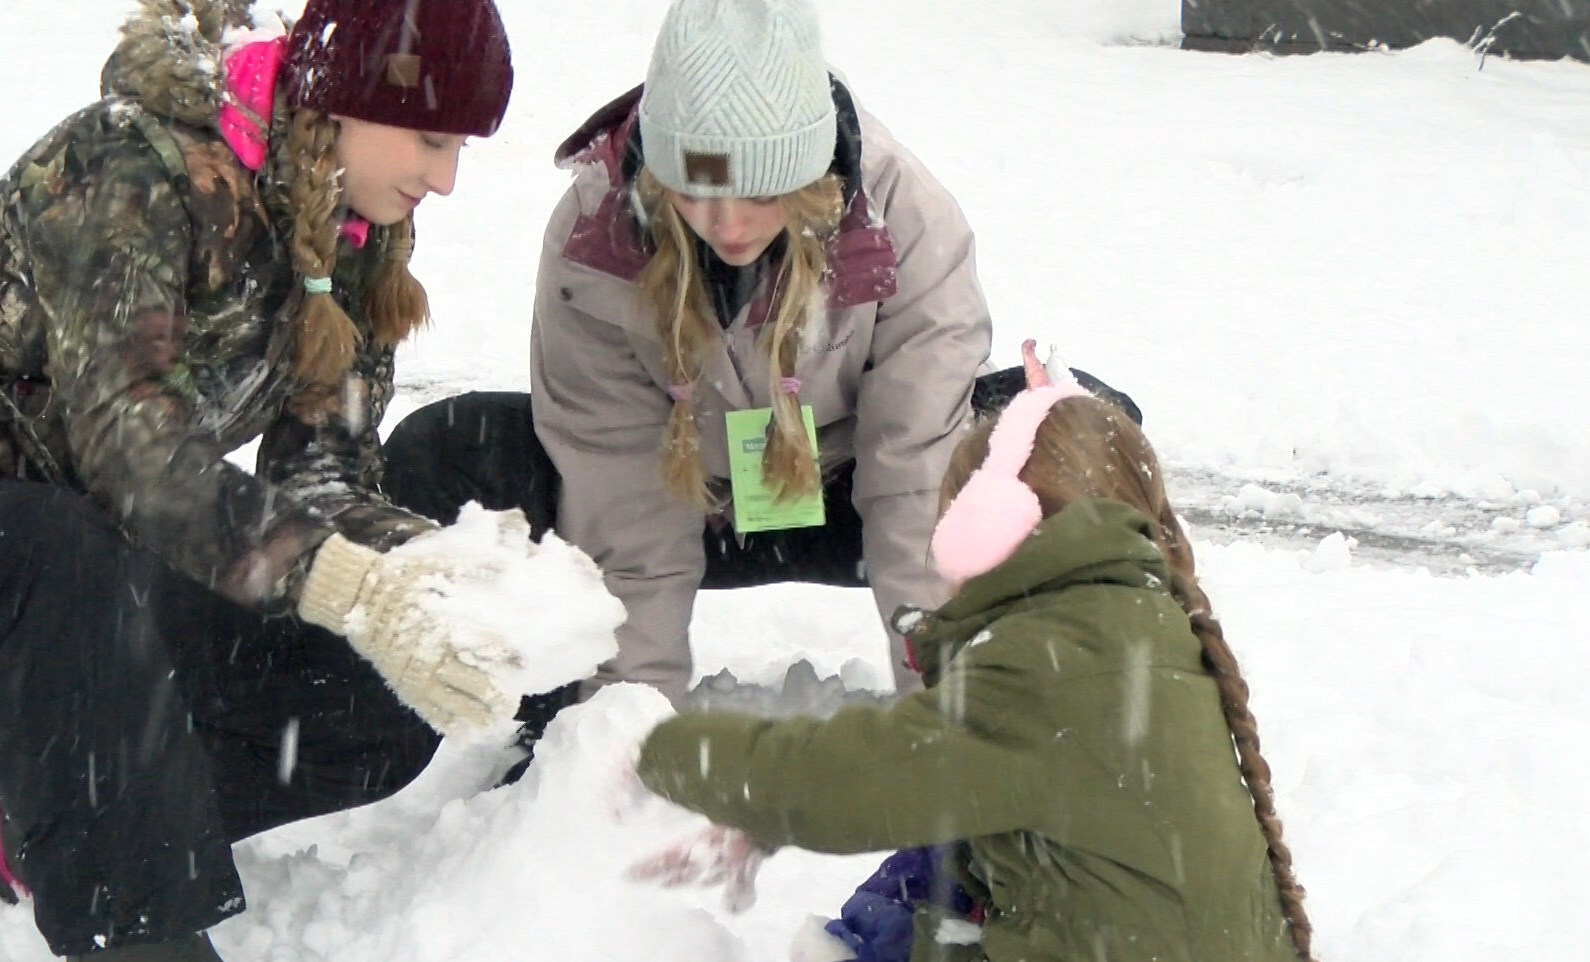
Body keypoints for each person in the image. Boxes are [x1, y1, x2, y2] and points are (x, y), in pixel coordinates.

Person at [0, 0, 522, 962]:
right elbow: (125, 442)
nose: (443, 179)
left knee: (373, 686)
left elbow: (323, 483)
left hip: (86, 562)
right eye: (433, 139)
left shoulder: (354, 247)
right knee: (57, 545)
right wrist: (347, 581)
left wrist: (431, 577)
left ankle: (22, 777)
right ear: (345, 103)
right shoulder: (131, 164)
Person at [628, 344, 1432, 962]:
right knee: (945, 841)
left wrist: (675, 754)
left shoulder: (1047, 662)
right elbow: (925, 784)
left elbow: (862, 778)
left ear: (990, 529)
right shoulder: (1134, 625)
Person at [382, 0, 1139, 726]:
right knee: (449, 451)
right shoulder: (595, 242)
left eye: (762, 188)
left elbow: (914, 472)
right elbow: (621, 502)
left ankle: (1029, 707)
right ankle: (551, 715)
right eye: (698, 189)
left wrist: (942, 717)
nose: (729, 223)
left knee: (1083, 431)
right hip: (692, 497)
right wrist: (629, 731)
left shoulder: (906, 219)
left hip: (849, 487)